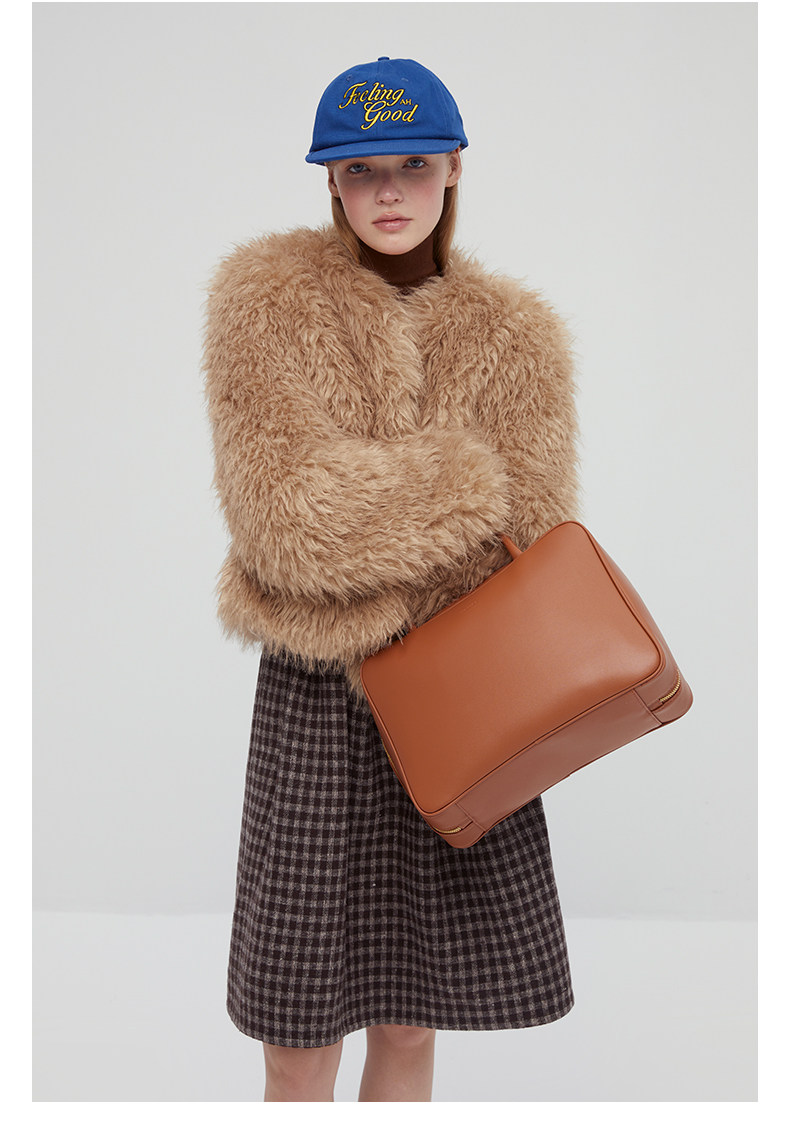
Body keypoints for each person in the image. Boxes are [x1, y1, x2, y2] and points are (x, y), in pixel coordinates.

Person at [203, 56, 581, 1103]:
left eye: (412, 165)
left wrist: (381, 521)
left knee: (413, 1021)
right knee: (297, 1037)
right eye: (360, 168)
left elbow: (534, 549)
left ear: (454, 166)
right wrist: (466, 480)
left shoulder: (517, 336)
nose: (387, 192)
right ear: (329, 179)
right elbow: (283, 519)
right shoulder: (265, 301)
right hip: (319, 699)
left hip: (462, 699)